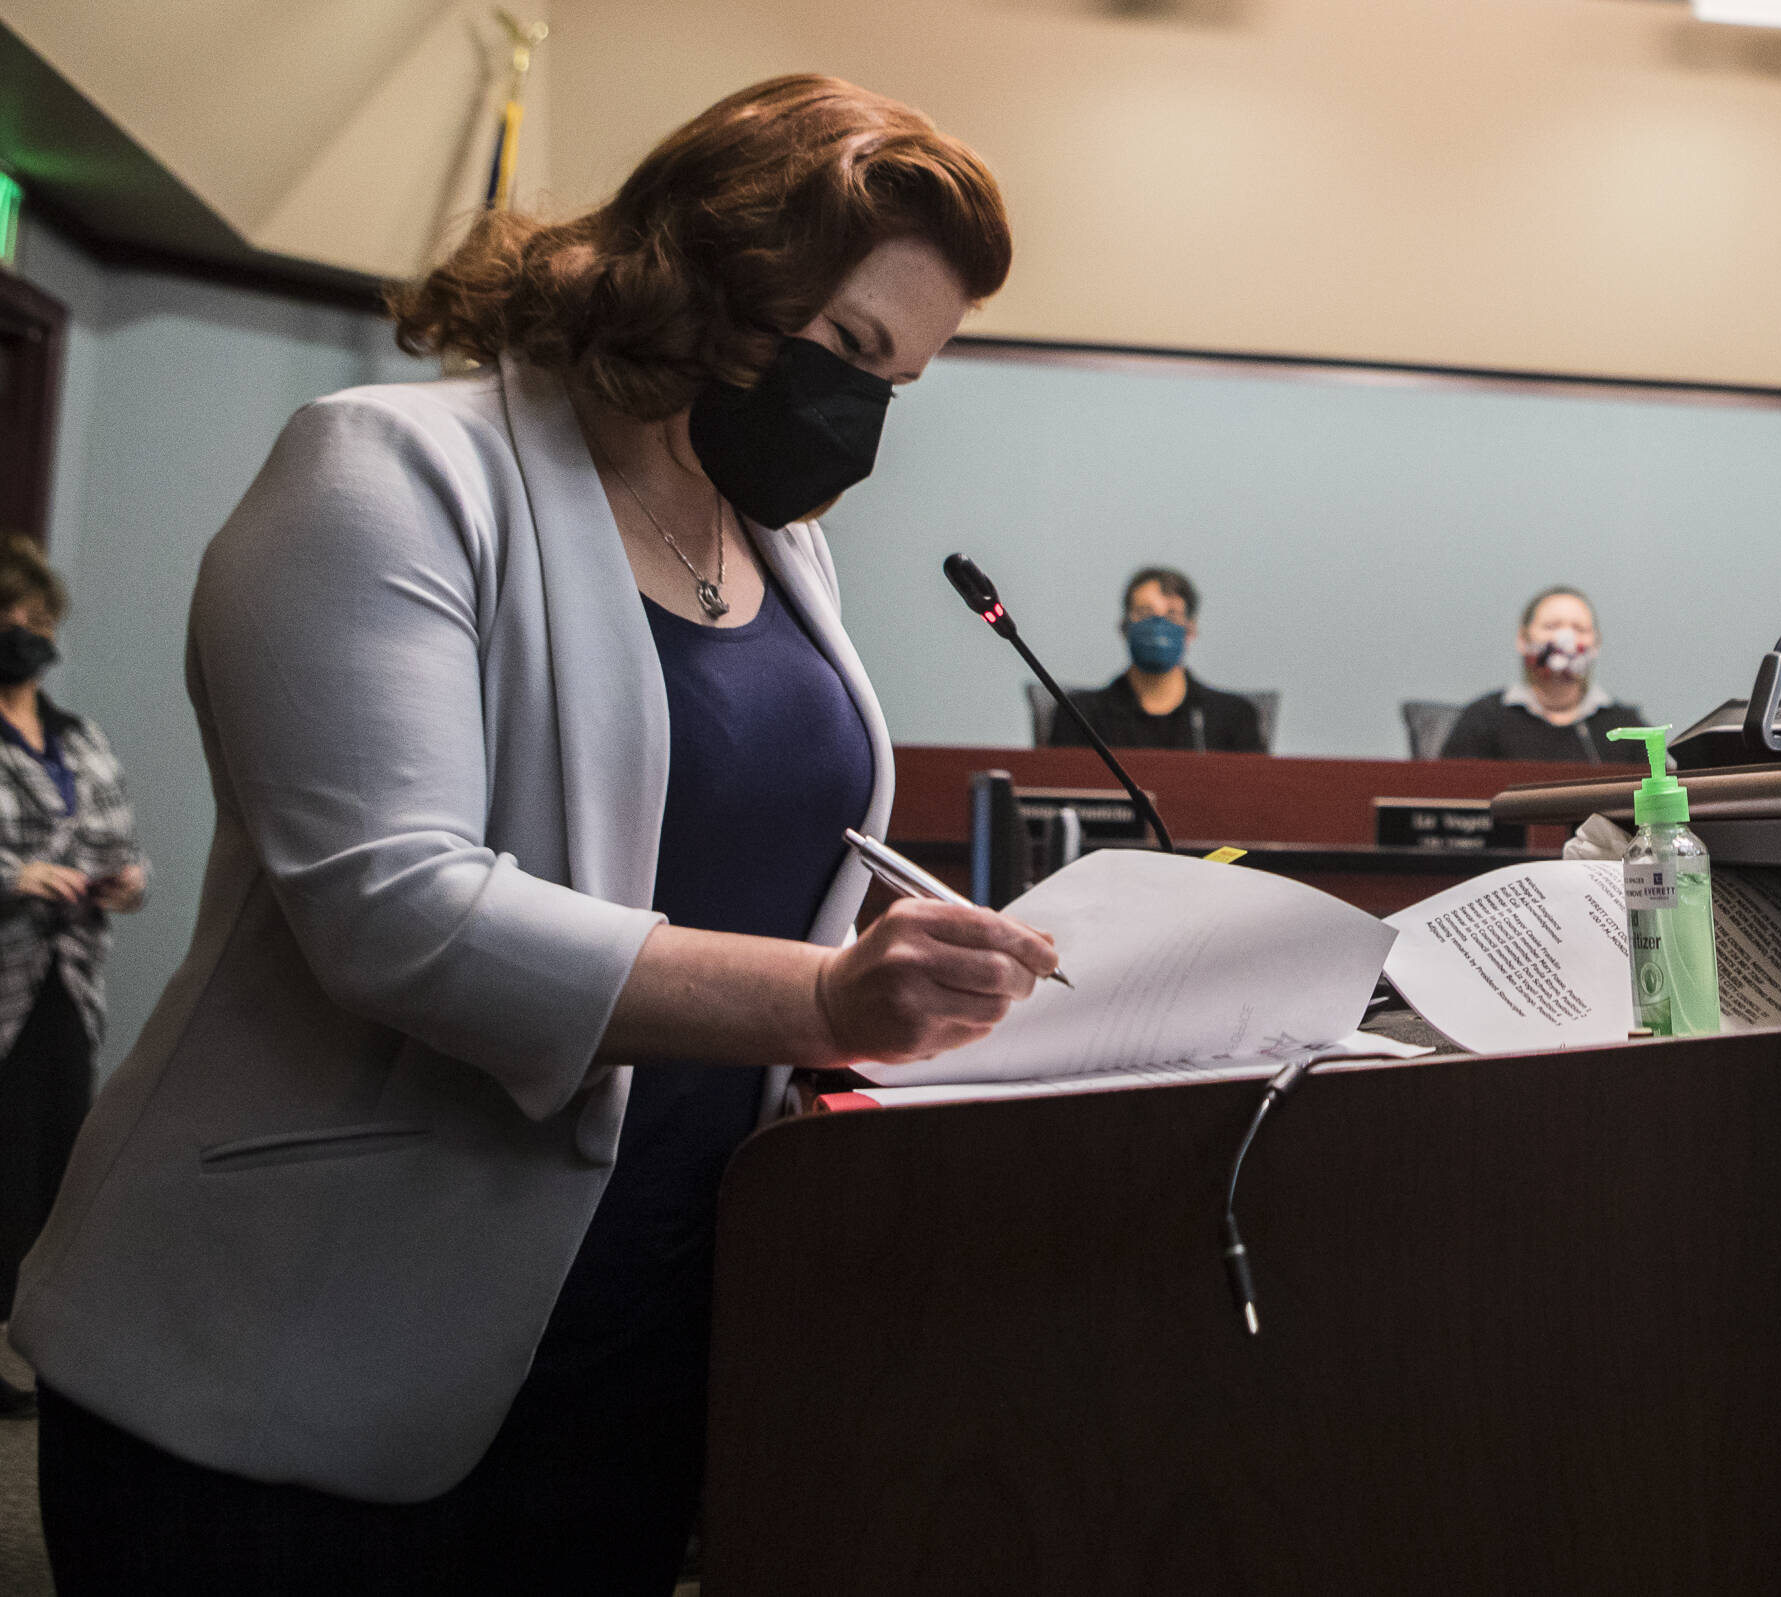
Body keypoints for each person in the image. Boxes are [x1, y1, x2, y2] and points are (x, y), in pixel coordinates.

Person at [15, 75, 1057, 1594]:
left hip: (628, 1351)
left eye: (894, 379)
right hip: (301, 1347)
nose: (860, 416)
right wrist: (826, 998)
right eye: (844, 348)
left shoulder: (781, 543)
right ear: (717, 272)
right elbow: (398, 910)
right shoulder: (390, 469)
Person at [0, 535, 146, 1424]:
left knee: (47, 1167)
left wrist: (125, 882)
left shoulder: (76, 736)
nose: (27, 632)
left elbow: (123, 847)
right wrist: (12, 876)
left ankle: (28, 1354)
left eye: (39, 619)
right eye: (11, 618)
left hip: (66, 982)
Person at [1049, 567, 1267, 752]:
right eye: (1145, 613)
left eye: (1172, 615)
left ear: (1190, 630)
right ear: (1124, 627)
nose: (1158, 625)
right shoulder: (1081, 716)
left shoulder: (1233, 718)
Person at [1440, 586, 1645, 763]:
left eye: (1579, 629)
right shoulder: (1484, 719)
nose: (1566, 639)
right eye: (1551, 627)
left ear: (1596, 644)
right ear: (1522, 639)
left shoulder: (1627, 728)